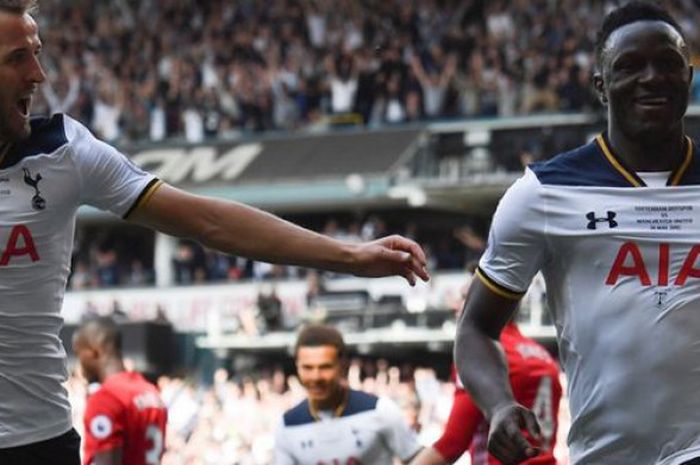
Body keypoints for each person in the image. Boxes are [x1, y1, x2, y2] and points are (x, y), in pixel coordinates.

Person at [0, 2, 429, 464]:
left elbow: (209, 221)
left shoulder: (65, 152)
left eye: (36, 53)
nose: (38, 74)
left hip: (36, 443)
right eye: (16, 58)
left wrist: (349, 255)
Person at [455, 2, 700, 465]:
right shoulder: (543, 194)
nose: (651, 77)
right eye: (629, 66)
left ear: (688, 77)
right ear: (601, 87)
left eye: (667, 63)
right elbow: (476, 328)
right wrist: (500, 404)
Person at [413, 264, 562, 465]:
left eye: (466, 298)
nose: (457, 306)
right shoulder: (543, 356)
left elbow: (453, 442)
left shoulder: (482, 356)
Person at [274, 324, 423, 464]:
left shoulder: (380, 411)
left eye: (325, 367)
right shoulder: (287, 425)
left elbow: (418, 458)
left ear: (343, 365)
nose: (316, 377)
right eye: (307, 367)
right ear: (297, 367)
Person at [72, 317, 167, 465]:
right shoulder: (151, 392)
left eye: (79, 354)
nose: (79, 365)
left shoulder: (106, 398)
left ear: (93, 350)